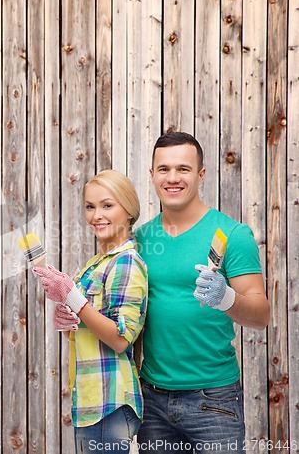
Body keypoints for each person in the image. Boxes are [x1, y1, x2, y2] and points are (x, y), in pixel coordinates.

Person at [135, 132, 270, 454]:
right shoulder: (139, 239)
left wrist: (227, 298)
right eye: (164, 169)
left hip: (214, 400)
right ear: (152, 175)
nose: (173, 178)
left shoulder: (232, 235)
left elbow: (261, 314)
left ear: (201, 175)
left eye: (183, 169)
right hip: (151, 399)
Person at [32, 170, 148, 454]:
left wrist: (73, 298)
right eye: (90, 206)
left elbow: (122, 338)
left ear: (129, 210)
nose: (97, 215)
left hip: (110, 401)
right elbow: (90, 322)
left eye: (107, 205)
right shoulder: (94, 264)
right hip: (89, 398)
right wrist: (69, 319)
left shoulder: (125, 263)